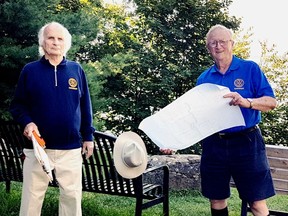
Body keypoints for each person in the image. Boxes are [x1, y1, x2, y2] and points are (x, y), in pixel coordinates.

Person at [162, 24, 277, 216]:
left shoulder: (250, 69)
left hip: (247, 142)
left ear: (231, 44)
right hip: (214, 144)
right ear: (208, 48)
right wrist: (175, 142)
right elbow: (196, 118)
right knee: (216, 200)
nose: (218, 46)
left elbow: (271, 102)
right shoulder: (203, 79)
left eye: (222, 41)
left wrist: (246, 102)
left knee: (256, 203)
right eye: (213, 43)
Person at [10, 21, 95, 216]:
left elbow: (85, 106)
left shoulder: (76, 70)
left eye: (60, 38)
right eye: (50, 38)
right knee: (31, 199)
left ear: (66, 43)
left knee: (72, 199)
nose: (55, 42)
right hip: (38, 149)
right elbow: (18, 105)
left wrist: (88, 137)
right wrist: (28, 122)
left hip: (71, 149)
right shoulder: (30, 71)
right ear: (42, 43)